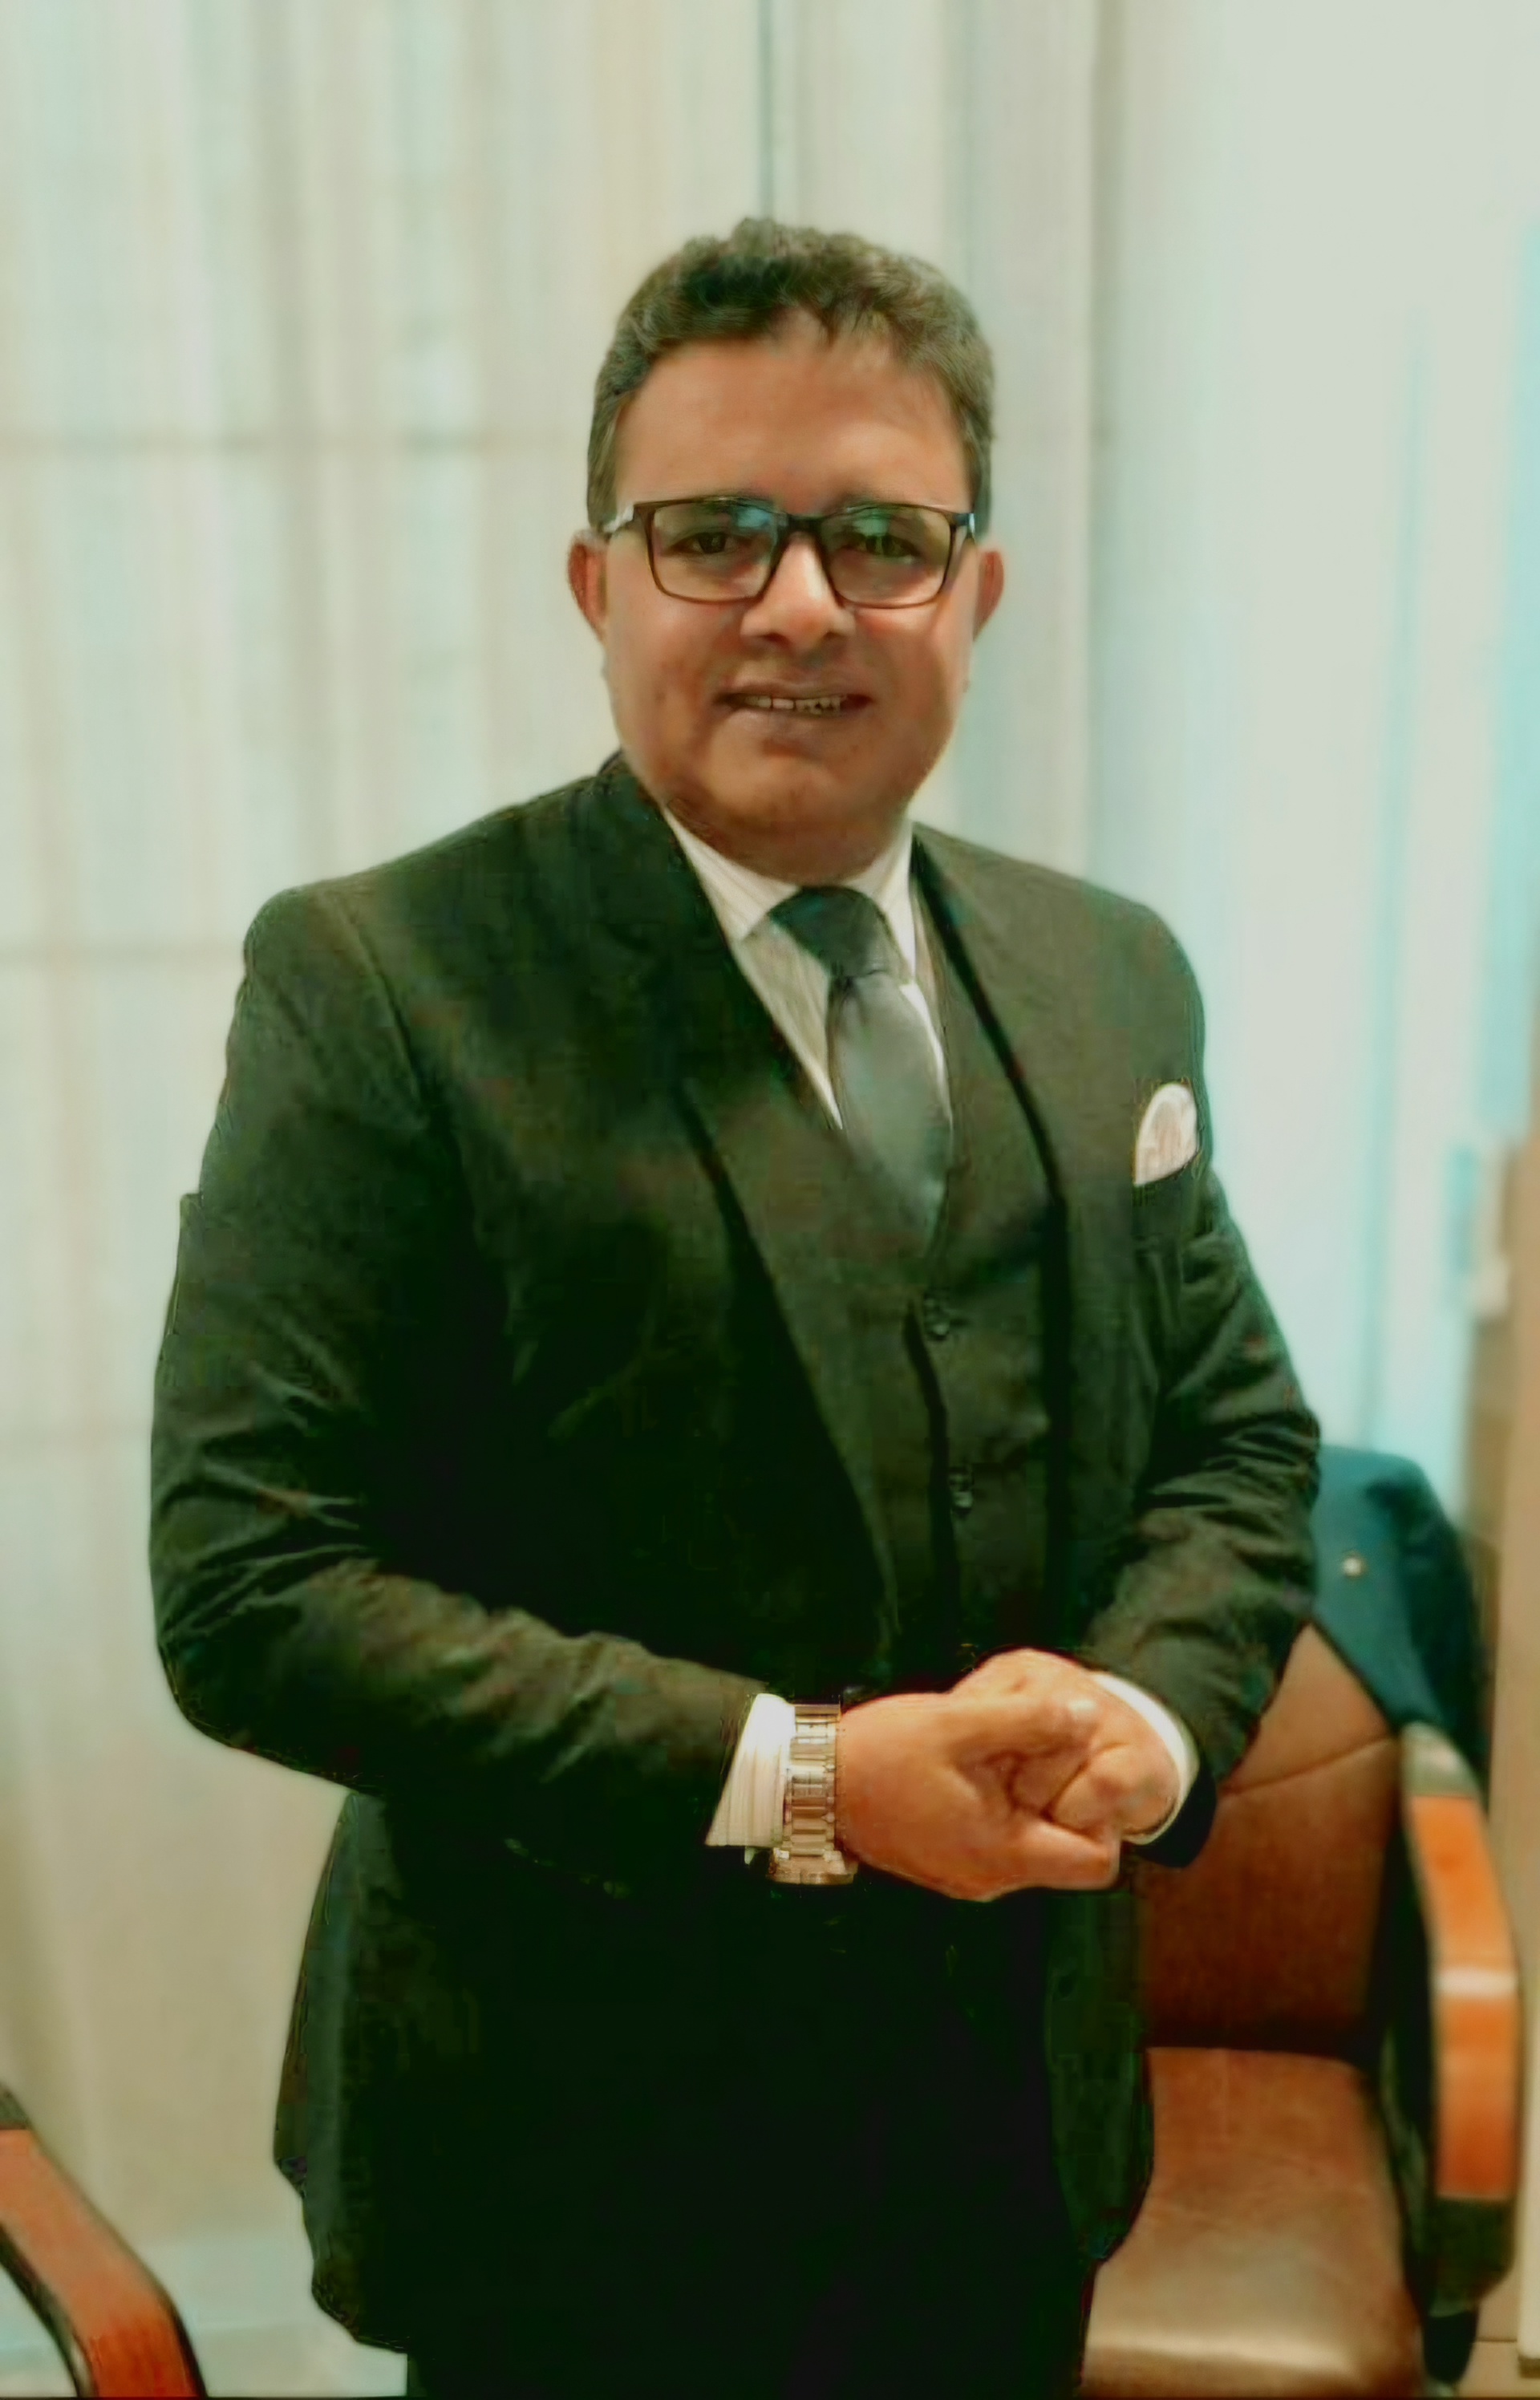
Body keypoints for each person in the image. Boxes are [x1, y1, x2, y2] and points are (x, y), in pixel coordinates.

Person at [149, 219, 1319, 2400]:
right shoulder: (380, 989)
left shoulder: (1109, 975)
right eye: (717, 535)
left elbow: (1237, 1442)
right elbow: (250, 1586)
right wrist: (809, 1784)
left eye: (880, 535)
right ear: (602, 590)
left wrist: (1144, 1724)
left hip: (1010, 2137)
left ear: (976, 592)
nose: (800, 601)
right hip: (576, 2179)